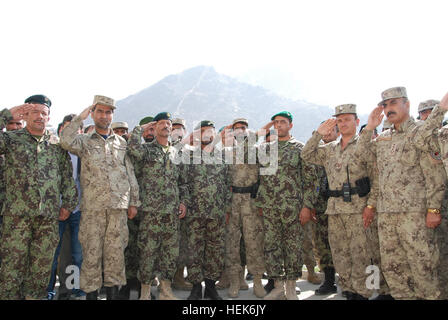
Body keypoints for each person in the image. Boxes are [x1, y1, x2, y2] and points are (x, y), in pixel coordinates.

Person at [356, 87, 443, 300]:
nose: (388, 108)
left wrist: (434, 208)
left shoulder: (420, 132)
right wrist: (369, 128)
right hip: (387, 217)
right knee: (395, 271)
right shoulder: (383, 139)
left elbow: (434, 175)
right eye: (384, 105)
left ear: (407, 104)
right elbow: (359, 156)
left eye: (393, 103)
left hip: (415, 216)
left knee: (423, 269)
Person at [301, 104, 389, 300]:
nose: (342, 123)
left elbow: (376, 178)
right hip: (335, 209)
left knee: (363, 254)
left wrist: (371, 206)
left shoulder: (366, 145)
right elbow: (305, 154)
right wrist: (318, 134)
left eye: (347, 119)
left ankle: (364, 292)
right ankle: (348, 288)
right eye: (339, 120)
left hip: (359, 208)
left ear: (357, 122)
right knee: (341, 253)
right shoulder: (330, 149)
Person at [60, 95, 140, 300]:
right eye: (100, 111)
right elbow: (65, 140)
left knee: (115, 256)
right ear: (94, 114)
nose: (104, 116)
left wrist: (134, 202)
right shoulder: (84, 142)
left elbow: (129, 172)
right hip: (93, 208)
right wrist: (81, 117)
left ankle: (113, 295)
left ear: (113, 115)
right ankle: (92, 296)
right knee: (92, 254)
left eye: (108, 112)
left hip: (117, 208)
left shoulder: (122, 143)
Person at [0, 95, 78, 300]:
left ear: (49, 117)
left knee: (41, 270)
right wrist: (6, 115)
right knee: (11, 269)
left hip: (47, 219)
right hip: (17, 218)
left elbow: (67, 177)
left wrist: (68, 204)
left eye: (44, 113)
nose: (40, 117)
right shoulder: (11, 140)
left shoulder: (56, 145)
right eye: (34, 112)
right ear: (24, 114)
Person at [254, 111, 319, 300]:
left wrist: (307, 206)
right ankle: (277, 287)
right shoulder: (266, 149)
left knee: (293, 247)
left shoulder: (300, 148)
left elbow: (311, 181)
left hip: (293, 208)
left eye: (283, 122)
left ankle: (291, 287)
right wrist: (263, 129)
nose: (279, 125)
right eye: (276, 123)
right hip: (269, 208)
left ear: (290, 125)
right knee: (272, 247)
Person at [127, 112, 189, 300]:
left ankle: (165, 290)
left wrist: (183, 201)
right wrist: (142, 129)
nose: (165, 126)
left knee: (170, 253)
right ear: (155, 127)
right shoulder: (146, 151)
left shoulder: (176, 153)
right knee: (147, 251)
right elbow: (132, 149)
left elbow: (183, 181)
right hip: (151, 212)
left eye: (168, 124)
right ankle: (145, 292)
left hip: (171, 213)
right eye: (161, 123)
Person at [182, 120, 231, 301]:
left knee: (214, 250)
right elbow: (184, 182)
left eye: (209, 131)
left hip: (216, 213)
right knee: (194, 250)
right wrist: (186, 204)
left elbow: (227, 184)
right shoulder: (188, 155)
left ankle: (210, 287)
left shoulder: (222, 155)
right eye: (202, 131)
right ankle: (196, 287)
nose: (206, 134)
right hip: (194, 213)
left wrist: (226, 208)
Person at [221, 118, 266, 299]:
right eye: (237, 128)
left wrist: (261, 202)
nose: (240, 131)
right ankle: (234, 281)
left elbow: (265, 177)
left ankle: (256, 281)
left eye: (243, 128)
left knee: (254, 242)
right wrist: (225, 206)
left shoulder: (257, 151)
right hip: (232, 202)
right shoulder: (225, 153)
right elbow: (222, 181)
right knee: (231, 243)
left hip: (251, 201)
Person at [412, 92, 448, 299]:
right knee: (438, 257)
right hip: (437, 203)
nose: (426, 117)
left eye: (431, 112)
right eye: (423, 114)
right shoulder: (434, 136)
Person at [47, 113, 85, 300]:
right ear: (61, 130)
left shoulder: (83, 152)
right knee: (53, 256)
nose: (72, 132)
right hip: (57, 211)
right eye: (68, 128)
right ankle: (49, 291)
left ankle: (73, 290)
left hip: (78, 211)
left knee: (77, 256)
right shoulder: (53, 150)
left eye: (76, 129)